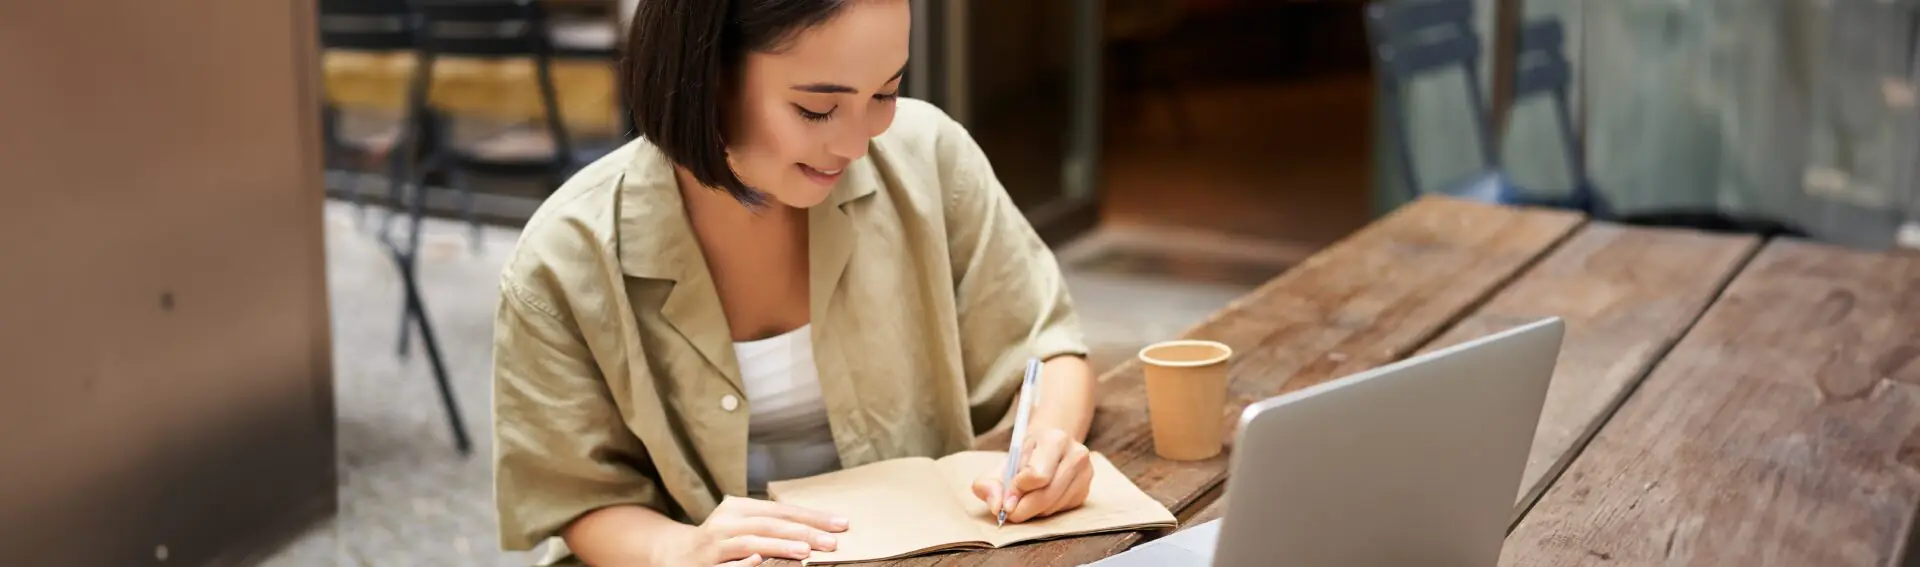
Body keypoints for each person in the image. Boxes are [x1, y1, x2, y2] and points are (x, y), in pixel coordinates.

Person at [490, 0, 1098, 565]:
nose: (856, 143)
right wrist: (682, 549)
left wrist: (1047, 450)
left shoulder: (929, 159)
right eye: (816, 109)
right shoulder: (567, 257)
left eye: (886, 93)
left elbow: (1047, 348)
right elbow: (577, 494)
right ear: (706, 74)